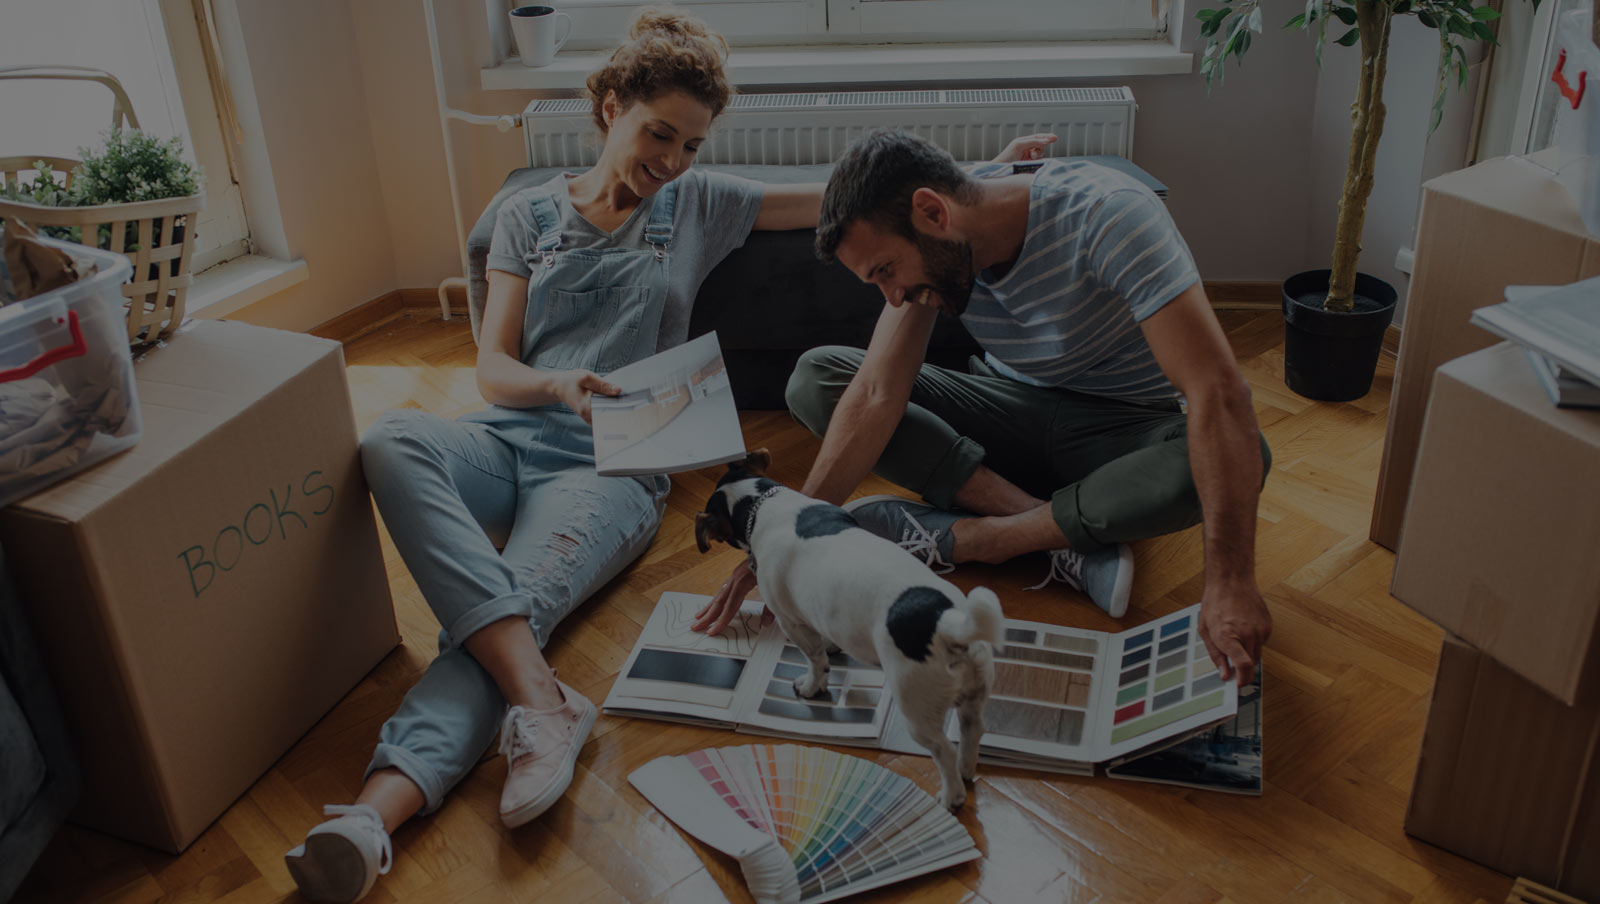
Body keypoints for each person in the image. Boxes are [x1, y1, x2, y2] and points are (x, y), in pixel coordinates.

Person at [278, 11, 823, 902]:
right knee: (390, 437)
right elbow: (492, 369)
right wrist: (557, 383)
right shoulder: (527, 215)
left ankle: (372, 818)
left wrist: (993, 174)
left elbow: (835, 195)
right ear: (611, 108)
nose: (673, 159)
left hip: (611, 471)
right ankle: (545, 702)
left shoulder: (701, 203)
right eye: (659, 134)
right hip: (507, 439)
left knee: (508, 609)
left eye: (691, 143)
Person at [696, 128, 1272, 692]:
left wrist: (1231, 581)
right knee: (817, 377)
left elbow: (1218, 394)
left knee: (1233, 459)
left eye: (886, 271)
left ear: (933, 212)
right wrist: (787, 544)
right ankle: (1057, 530)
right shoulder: (940, 242)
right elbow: (875, 393)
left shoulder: (1111, 215)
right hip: (1006, 414)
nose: (891, 297)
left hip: (1120, 429)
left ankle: (978, 538)